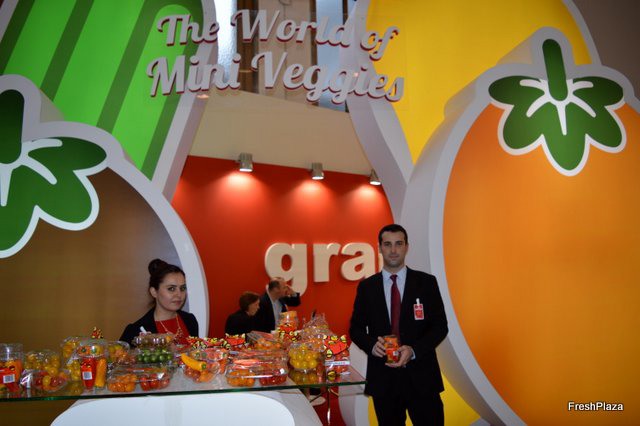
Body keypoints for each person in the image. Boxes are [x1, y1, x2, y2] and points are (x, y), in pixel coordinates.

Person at [349, 224, 449, 425]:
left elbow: (440, 326)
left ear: (406, 247)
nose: (393, 250)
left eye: (398, 244)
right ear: (379, 248)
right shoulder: (367, 287)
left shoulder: (426, 283)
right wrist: (371, 345)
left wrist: (413, 350)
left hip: (422, 378)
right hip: (384, 380)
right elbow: (355, 329)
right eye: (387, 244)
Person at [120, 259, 198, 346]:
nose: (179, 294)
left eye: (182, 288)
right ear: (154, 292)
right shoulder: (135, 331)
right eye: (171, 289)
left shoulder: (190, 320)